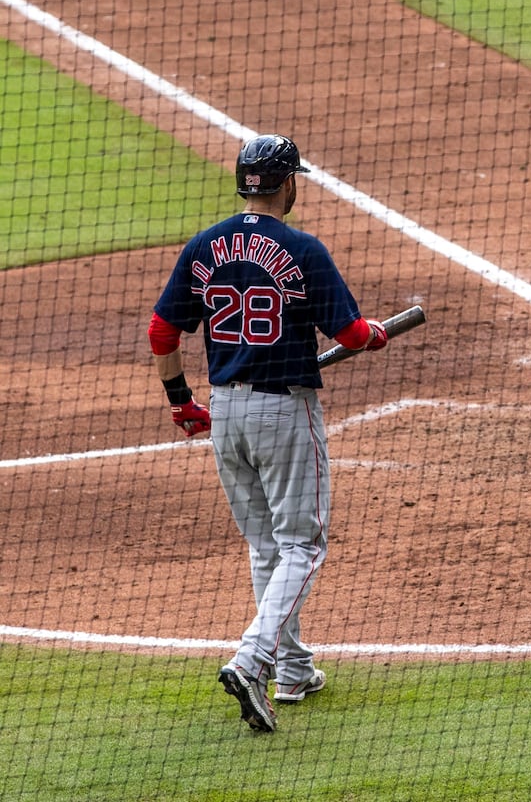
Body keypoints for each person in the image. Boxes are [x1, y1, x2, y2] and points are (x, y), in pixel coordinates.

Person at [149, 134, 388, 733]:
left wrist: (183, 404)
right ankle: (252, 658)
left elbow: (162, 331)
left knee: (267, 548)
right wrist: (375, 336)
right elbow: (353, 335)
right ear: (288, 184)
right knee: (303, 547)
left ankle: (293, 669)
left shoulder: (204, 245)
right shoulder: (303, 249)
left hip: (225, 413)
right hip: (284, 412)